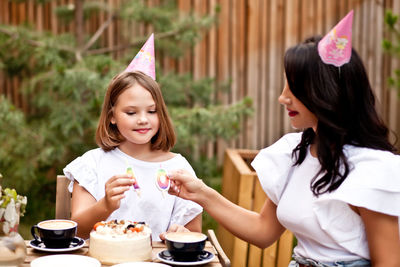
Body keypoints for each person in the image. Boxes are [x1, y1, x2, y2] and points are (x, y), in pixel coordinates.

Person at [167, 12, 400, 267]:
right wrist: (201, 193)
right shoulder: (296, 153)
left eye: (293, 87)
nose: (282, 97)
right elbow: (263, 230)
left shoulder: (372, 168)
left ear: (325, 92)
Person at [63, 34, 202, 241]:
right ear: (112, 117)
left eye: (152, 111)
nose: (143, 120)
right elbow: (78, 231)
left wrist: (183, 233)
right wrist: (105, 205)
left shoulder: (178, 169)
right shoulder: (92, 164)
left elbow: (194, 233)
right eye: (131, 113)